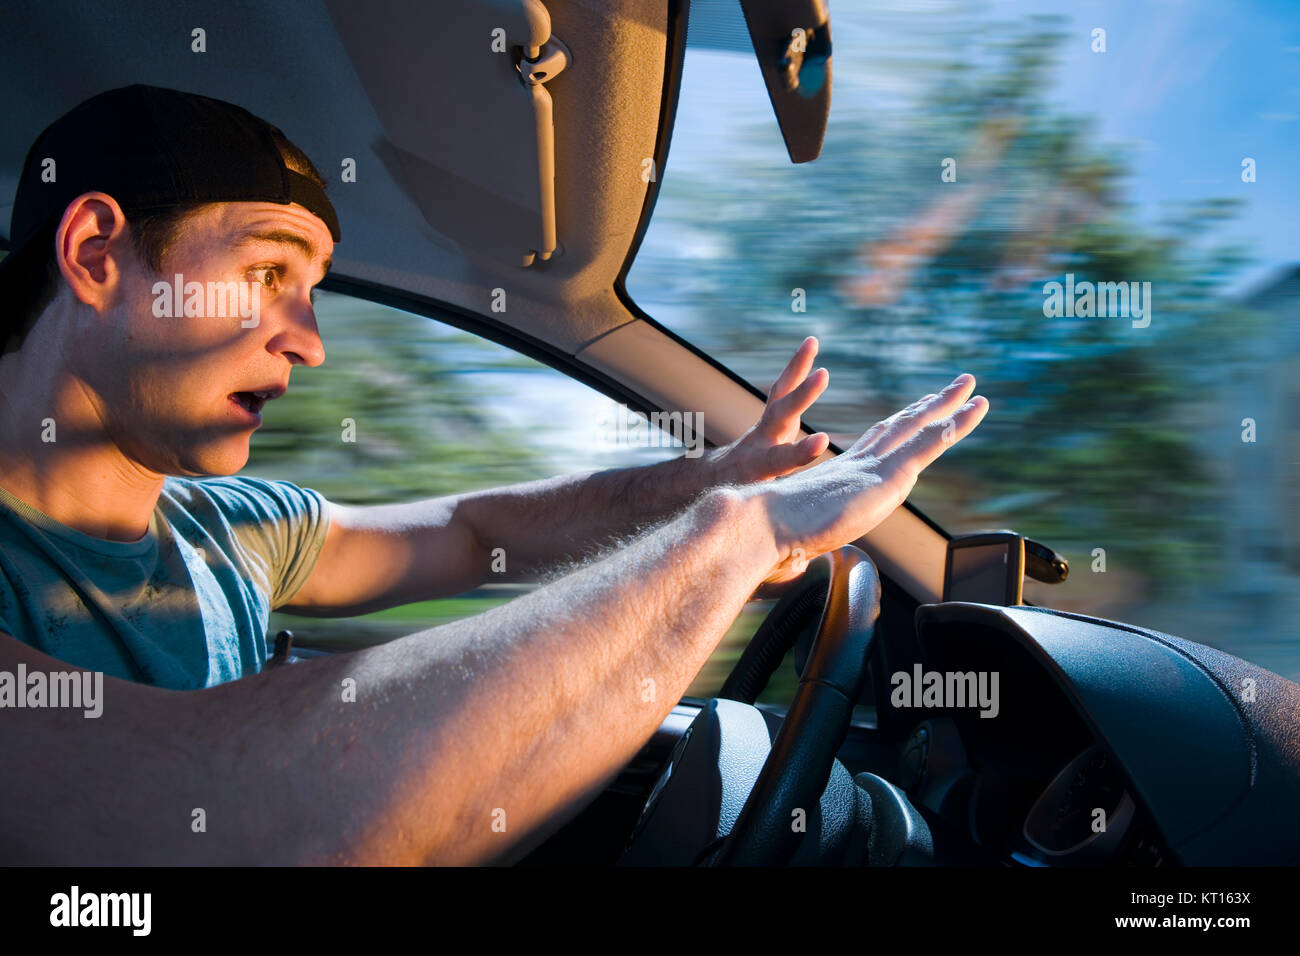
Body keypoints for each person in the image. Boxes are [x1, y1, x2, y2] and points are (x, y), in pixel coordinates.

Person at [0, 85, 988, 864]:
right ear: (98, 254)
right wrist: (733, 537)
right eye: (269, 274)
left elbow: (477, 529)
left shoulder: (236, 526)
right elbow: (216, 828)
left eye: (311, 292)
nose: (309, 343)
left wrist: (707, 483)